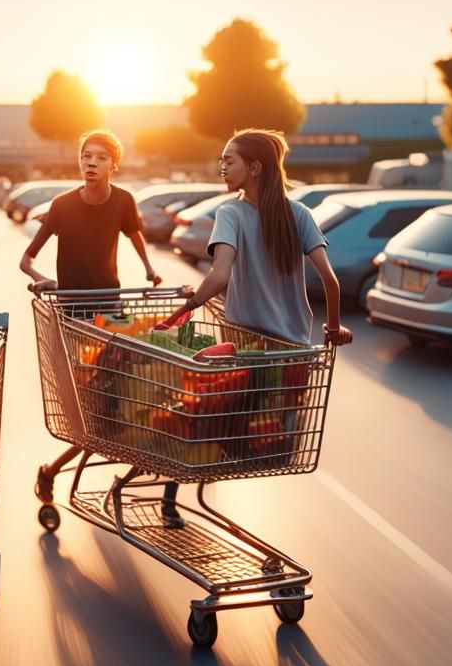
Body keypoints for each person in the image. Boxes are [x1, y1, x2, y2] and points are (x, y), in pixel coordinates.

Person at [20, 129, 164, 511]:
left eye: (100, 157)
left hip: (111, 314)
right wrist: (42, 281)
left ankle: (56, 471)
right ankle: (53, 471)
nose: (91, 162)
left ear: (113, 165)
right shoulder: (63, 205)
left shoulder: (123, 201)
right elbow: (26, 260)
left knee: (127, 399)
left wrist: (150, 270)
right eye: (86, 156)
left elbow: (134, 236)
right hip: (72, 318)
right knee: (94, 410)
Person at [163, 128, 355, 346]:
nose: (222, 168)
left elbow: (219, 276)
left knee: (244, 382)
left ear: (254, 167)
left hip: (244, 341)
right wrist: (334, 328)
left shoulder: (230, 213)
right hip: (293, 344)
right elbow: (330, 280)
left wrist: (182, 310)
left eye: (229, 162)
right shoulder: (300, 213)